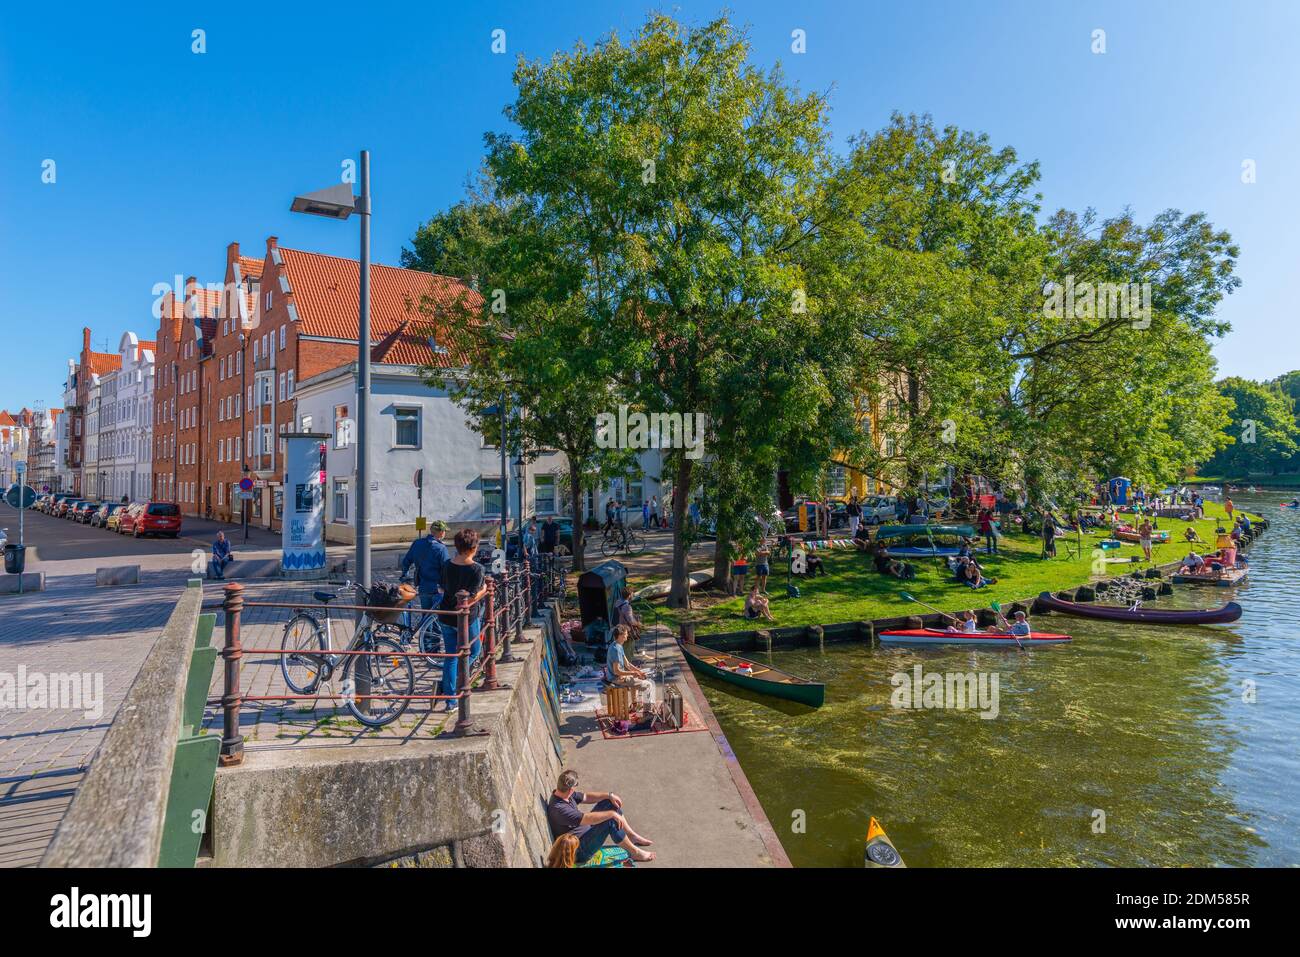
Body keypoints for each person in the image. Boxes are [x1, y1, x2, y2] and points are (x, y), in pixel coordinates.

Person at [547, 769, 655, 865]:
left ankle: (631, 836)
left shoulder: (564, 794)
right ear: (570, 790)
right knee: (610, 819)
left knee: (609, 803)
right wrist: (612, 814)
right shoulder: (559, 809)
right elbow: (587, 818)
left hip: (586, 833)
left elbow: (586, 797)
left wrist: (608, 795)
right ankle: (635, 853)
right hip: (579, 850)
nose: (575, 791)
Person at [438, 528, 487, 711]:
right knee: (474, 649)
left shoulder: (446, 565)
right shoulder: (477, 569)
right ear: (473, 548)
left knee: (450, 657)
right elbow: (472, 597)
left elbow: (441, 589)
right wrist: (485, 590)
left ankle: (450, 700)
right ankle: (459, 680)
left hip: (446, 616)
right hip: (466, 619)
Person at [400, 521, 450, 648]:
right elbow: (446, 570)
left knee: (426, 617)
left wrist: (404, 576)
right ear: (440, 532)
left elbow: (406, 561)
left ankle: (427, 647)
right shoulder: (441, 548)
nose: (445, 534)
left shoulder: (417, 544)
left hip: (423, 587)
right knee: (437, 620)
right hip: (438, 589)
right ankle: (434, 648)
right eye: (444, 531)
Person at [605, 624, 654, 702]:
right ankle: (648, 711)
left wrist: (639, 672)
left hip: (617, 676)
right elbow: (616, 671)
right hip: (616, 679)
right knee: (648, 685)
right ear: (621, 635)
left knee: (636, 678)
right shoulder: (616, 649)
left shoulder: (617, 645)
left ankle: (635, 704)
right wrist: (633, 673)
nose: (627, 635)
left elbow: (627, 664)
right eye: (626, 633)